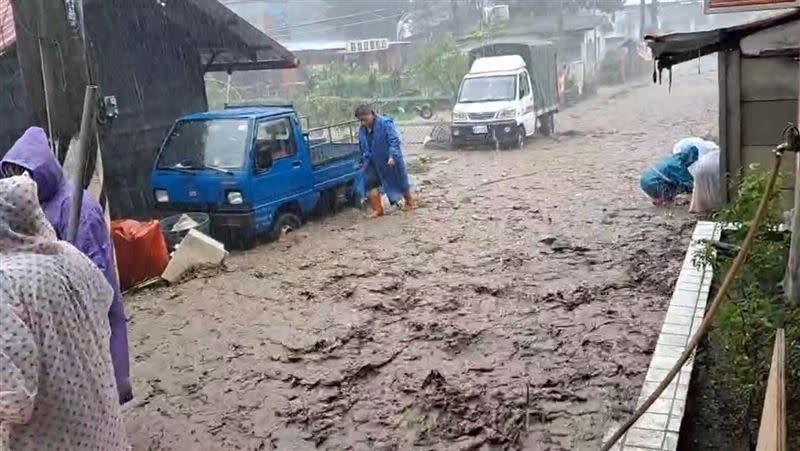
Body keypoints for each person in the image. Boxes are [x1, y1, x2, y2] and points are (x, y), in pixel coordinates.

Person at [1, 127, 132, 404]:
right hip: (58, 298)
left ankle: (111, 399)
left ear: (43, 171)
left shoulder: (77, 208)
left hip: (89, 298)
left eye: (25, 173)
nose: (20, 181)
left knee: (99, 365)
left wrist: (75, 299)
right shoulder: (36, 205)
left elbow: (96, 269)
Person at [0, 175, 130, 450]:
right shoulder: (71, 255)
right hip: (104, 434)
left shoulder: (5, 283)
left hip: (53, 439)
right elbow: (106, 311)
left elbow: (14, 400)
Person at [355, 105, 414, 217]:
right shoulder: (362, 129)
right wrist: (362, 161)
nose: (363, 123)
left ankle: (409, 202)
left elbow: (394, 140)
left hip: (388, 159)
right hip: (371, 160)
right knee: (371, 183)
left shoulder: (385, 123)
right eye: (360, 120)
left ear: (371, 114)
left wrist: (392, 156)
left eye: (365, 119)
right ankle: (378, 209)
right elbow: (362, 146)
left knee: (399, 180)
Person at [689, 149, 721, 214]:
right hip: (714, 167)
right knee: (715, 187)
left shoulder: (710, 154)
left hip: (701, 166)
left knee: (701, 188)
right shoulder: (719, 155)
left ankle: (700, 206)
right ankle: (715, 206)